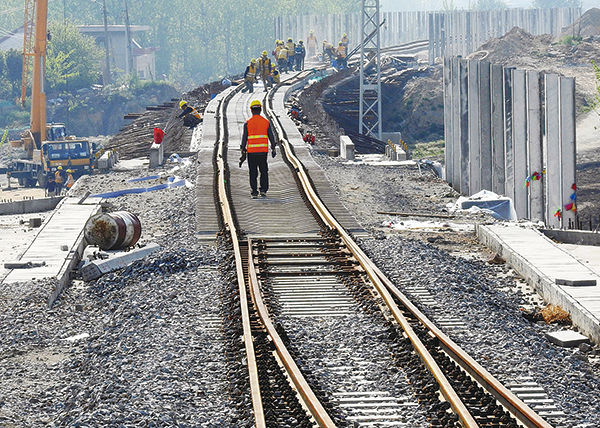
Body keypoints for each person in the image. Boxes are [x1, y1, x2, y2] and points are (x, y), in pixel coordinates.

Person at [240, 100, 277, 198]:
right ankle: (263, 190)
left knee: (253, 172)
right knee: (264, 171)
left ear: (251, 110)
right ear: (260, 110)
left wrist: (242, 148)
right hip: (263, 152)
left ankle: (254, 192)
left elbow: (244, 137)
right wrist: (273, 147)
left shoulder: (247, 123)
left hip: (251, 152)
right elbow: (271, 136)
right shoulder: (266, 122)